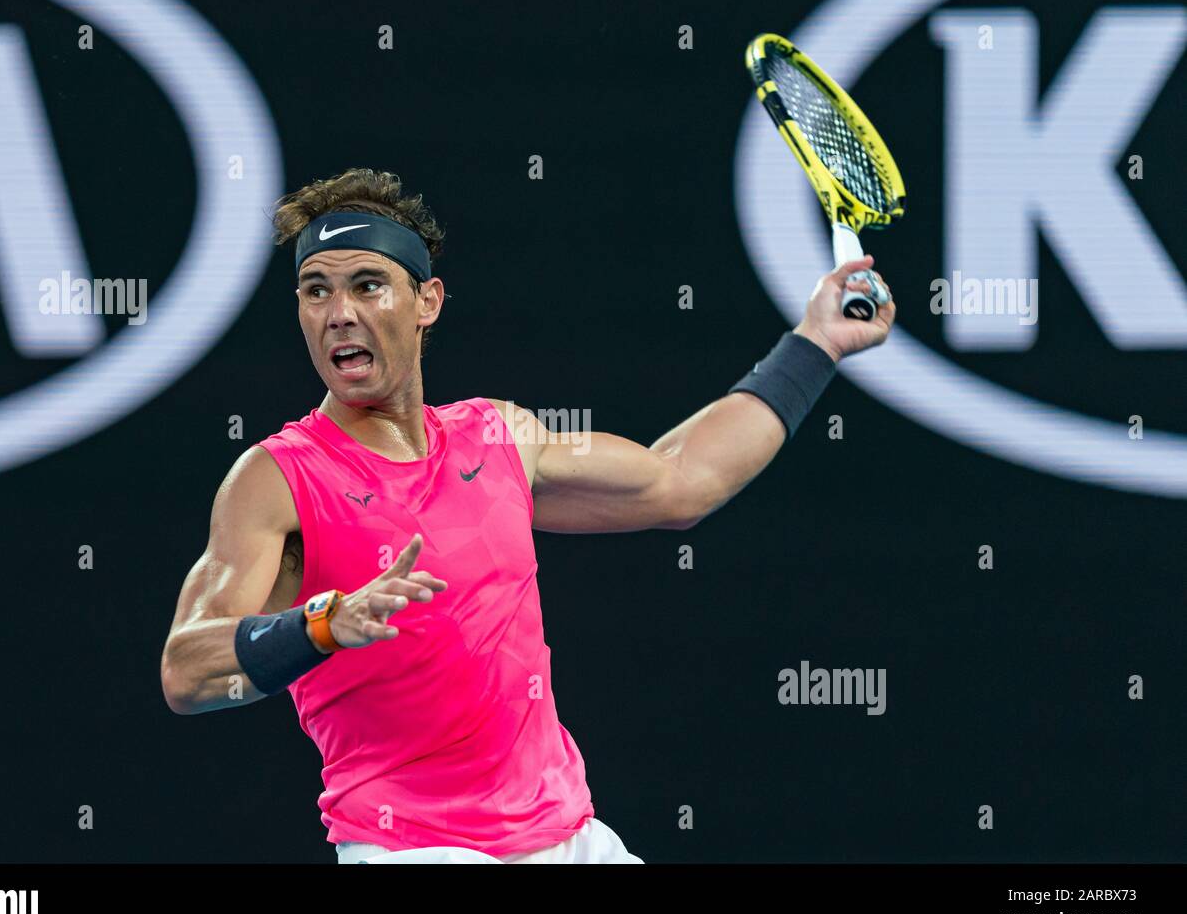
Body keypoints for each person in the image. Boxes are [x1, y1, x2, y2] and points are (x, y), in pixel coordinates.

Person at [159, 167, 897, 864]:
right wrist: (319, 624)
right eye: (314, 290)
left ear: (427, 302)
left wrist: (817, 344)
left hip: (564, 835)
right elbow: (186, 671)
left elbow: (682, 480)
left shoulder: (499, 437)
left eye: (367, 285)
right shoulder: (276, 477)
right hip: (413, 848)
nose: (339, 313)